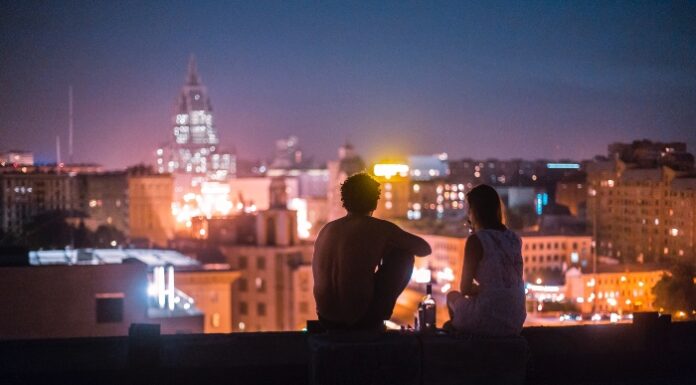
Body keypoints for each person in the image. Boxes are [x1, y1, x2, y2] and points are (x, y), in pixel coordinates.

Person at [313, 172, 431, 331]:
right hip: (361, 321)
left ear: (344, 202)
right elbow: (424, 249)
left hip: (326, 320)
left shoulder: (326, 229)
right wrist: (389, 245)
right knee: (403, 255)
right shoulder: (380, 228)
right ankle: (379, 319)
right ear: (375, 202)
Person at [446, 184, 526, 336]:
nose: (467, 215)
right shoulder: (515, 238)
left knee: (452, 296)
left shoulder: (476, 241)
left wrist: (484, 289)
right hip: (516, 318)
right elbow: (511, 279)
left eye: (468, 210)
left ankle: (459, 334)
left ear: (474, 211)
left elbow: (465, 289)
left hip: (488, 315)